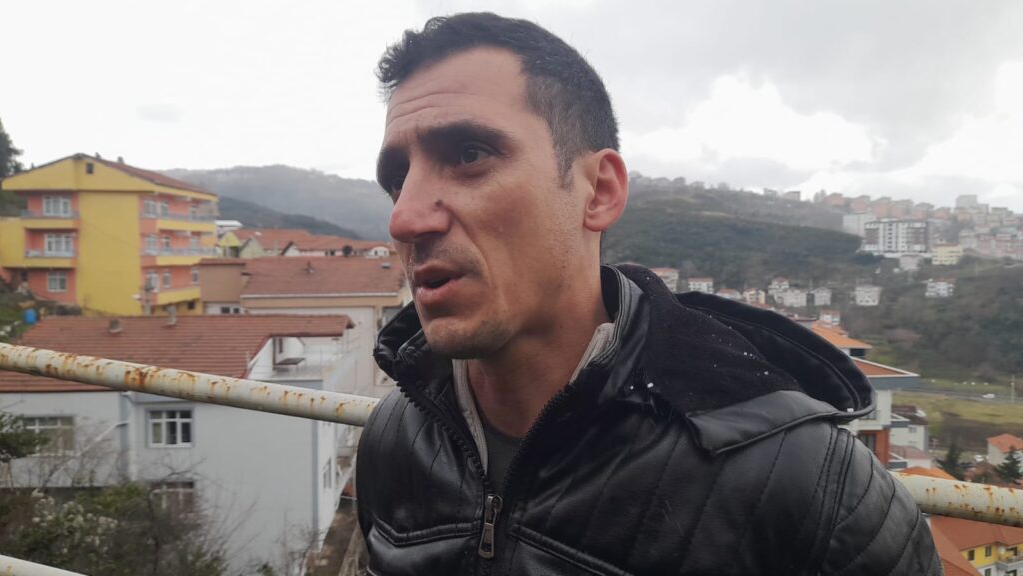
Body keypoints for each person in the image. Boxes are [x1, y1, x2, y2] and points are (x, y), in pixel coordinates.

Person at [357, 12, 939, 575]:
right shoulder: (394, 437)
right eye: (397, 180)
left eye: (469, 155)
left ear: (599, 192)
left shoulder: (810, 489)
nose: (405, 219)